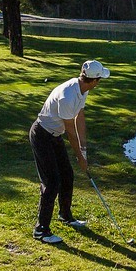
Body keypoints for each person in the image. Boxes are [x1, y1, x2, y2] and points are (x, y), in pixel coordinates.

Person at [30, 59, 110, 245]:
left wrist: (84, 149)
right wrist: (79, 157)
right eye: (100, 80)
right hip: (42, 135)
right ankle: (41, 230)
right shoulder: (68, 95)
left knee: (67, 175)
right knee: (52, 181)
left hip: (54, 135)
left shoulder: (83, 89)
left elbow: (79, 117)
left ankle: (65, 215)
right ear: (95, 80)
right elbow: (70, 131)